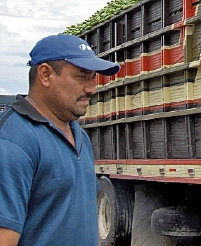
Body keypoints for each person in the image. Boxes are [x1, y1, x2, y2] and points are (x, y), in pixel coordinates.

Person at [0, 34, 120, 246]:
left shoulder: (78, 135)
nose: (92, 88)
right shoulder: (12, 140)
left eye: (93, 77)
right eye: (82, 77)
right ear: (45, 75)